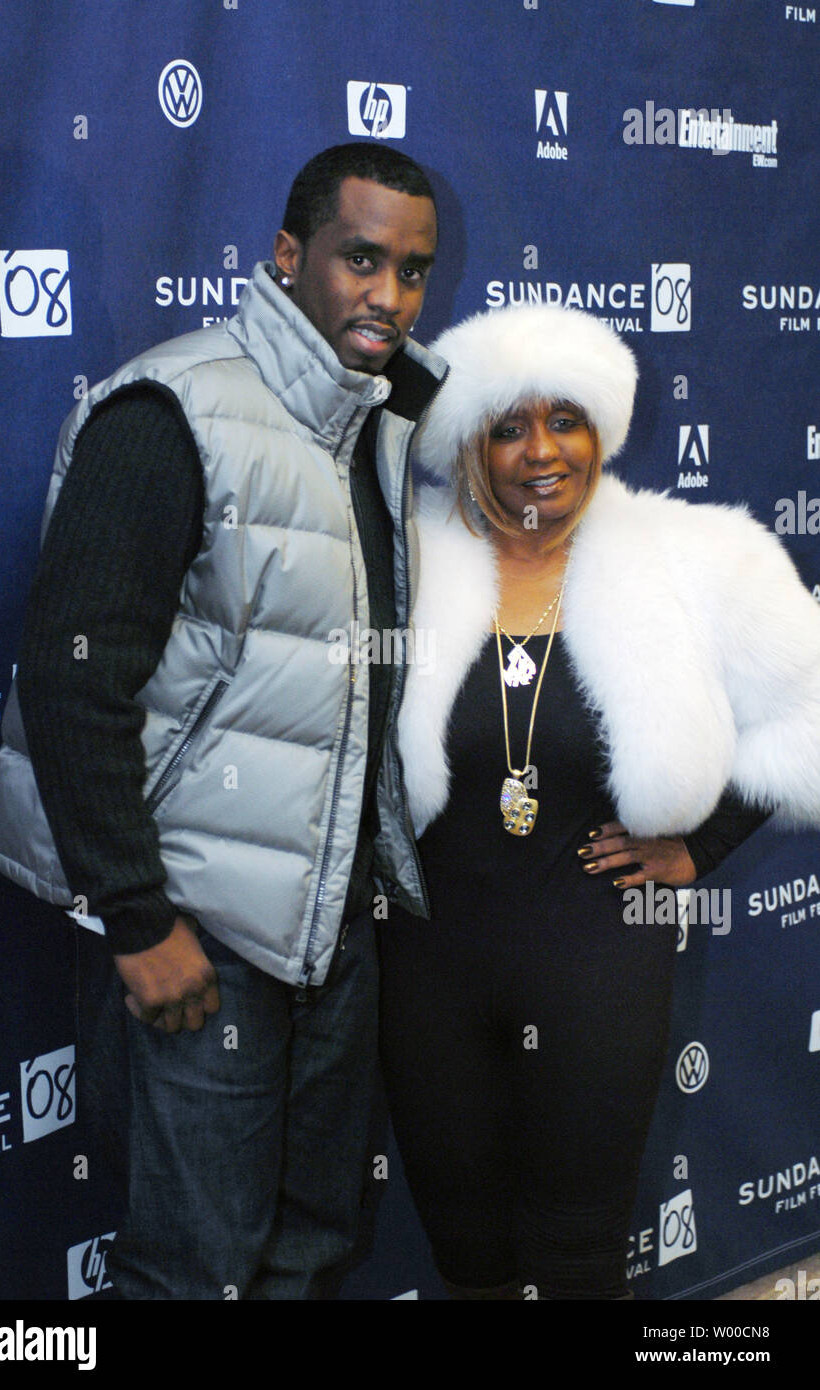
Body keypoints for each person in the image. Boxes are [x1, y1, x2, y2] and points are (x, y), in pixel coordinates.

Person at [0, 143, 445, 1299]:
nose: (388, 295)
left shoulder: (376, 433)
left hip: (331, 931)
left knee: (310, 1248)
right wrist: (138, 918)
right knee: (195, 1271)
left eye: (414, 271)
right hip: (197, 934)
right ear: (288, 259)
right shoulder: (172, 409)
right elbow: (70, 674)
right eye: (360, 260)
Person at [380, 301, 820, 1300]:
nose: (542, 451)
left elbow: (805, 714)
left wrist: (697, 847)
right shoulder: (398, 560)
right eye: (508, 426)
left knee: (577, 1257)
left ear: (602, 428)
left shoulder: (699, 559)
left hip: (595, 966)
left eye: (565, 418)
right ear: (465, 443)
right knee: (466, 1251)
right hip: (423, 966)